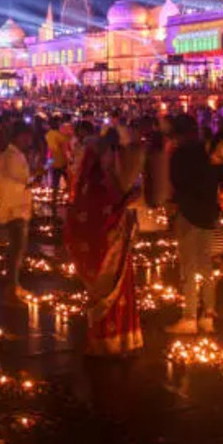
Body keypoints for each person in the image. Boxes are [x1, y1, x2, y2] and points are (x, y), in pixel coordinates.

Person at [63, 129, 143, 356]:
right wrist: (128, 201)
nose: (113, 157)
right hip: (106, 250)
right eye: (110, 153)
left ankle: (116, 340)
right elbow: (102, 218)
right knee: (109, 294)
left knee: (115, 296)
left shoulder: (100, 180)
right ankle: (108, 342)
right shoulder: (97, 184)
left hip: (112, 246)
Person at [165, 115, 222, 334]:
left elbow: (177, 185)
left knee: (188, 266)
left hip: (188, 213)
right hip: (208, 213)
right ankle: (208, 315)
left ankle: (189, 317)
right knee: (206, 265)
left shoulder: (180, 155)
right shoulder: (206, 153)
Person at [0, 122, 34, 302]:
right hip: (14, 209)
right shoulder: (9, 156)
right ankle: (11, 288)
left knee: (18, 249)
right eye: (26, 136)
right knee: (16, 250)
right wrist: (26, 185)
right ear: (17, 137)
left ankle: (14, 285)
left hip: (19, 207)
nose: (29, 140)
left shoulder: (16, 156)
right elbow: (6, 182)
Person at [45, 115, 72, 197]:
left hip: (61, 162)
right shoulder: (53, 134)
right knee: (62, 182)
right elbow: (52, 149)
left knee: (59, 182)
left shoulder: (57, 133)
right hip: (59, 162)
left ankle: (55, 200)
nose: (58, 124)